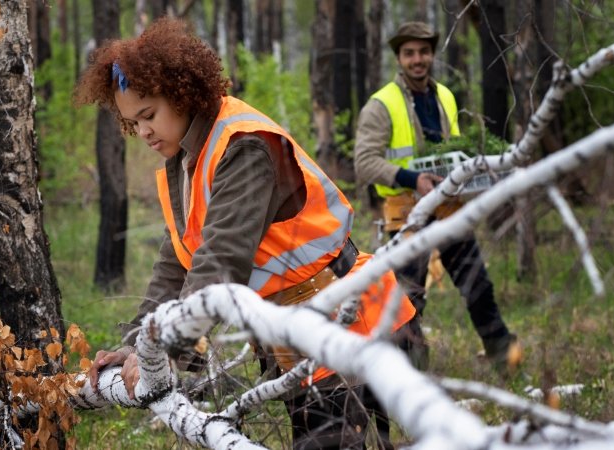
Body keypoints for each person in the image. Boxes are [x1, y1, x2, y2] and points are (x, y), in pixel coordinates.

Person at [76, 18, 422, 449]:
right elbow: (177, 261)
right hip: (301, 337)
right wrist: (136, 345)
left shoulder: (242, 144)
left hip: (352, 323)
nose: (143, 131)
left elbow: (221, 260)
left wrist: (166, 347)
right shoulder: (186, 158)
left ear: (183, 92)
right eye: (132, 123)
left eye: (149, 115)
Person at [353, 21, 517, 366]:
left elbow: (452, 150)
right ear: (399, 58)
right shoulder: (381, 104)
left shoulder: (445, 96)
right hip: (407, 211)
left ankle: (504, 356)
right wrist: (413, 179)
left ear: (432, 55)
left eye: (424, 52)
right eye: (409, 53)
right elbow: (365, 163)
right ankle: (410, 372)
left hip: (446, 207)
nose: (418, 59)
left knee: (477, 284)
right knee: (409, 299)